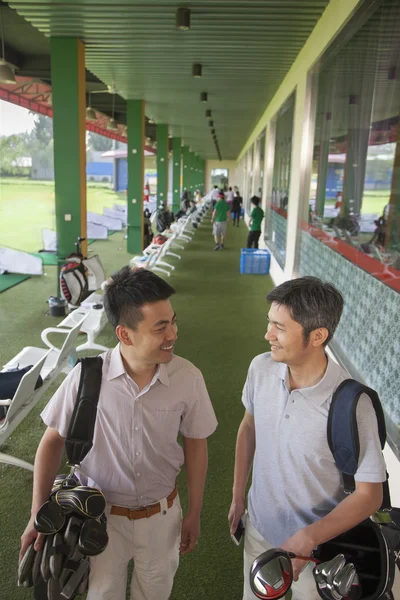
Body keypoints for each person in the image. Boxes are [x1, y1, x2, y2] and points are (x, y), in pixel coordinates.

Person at [21, 267, 218, 600]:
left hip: (163, 517)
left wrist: (195, 511)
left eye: (173, 321)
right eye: (160, 327)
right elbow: (51, 443)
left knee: (155, 593)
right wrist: (37, 513)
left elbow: (196, 444)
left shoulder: (188, 377)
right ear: (125, 335)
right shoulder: (86, 377)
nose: (173, 333)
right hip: (98, 519)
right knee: (102, 594)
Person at [228, 277, 386, 600]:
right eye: (269, 323)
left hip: (318, 553)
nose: (267, 335)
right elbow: (248, 428)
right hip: (259, 529)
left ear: (317, 336)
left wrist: (308, 537)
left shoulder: (353, 405)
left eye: (279, 328)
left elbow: (370, 495)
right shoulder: (260, 369)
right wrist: (237, 495)